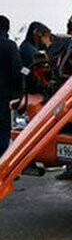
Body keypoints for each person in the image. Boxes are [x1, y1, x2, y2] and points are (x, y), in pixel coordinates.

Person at [0, 15, 23, 153]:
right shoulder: (9, 46)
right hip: (3, 95)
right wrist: (18, 94)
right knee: (2, 132)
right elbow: (16, 70)